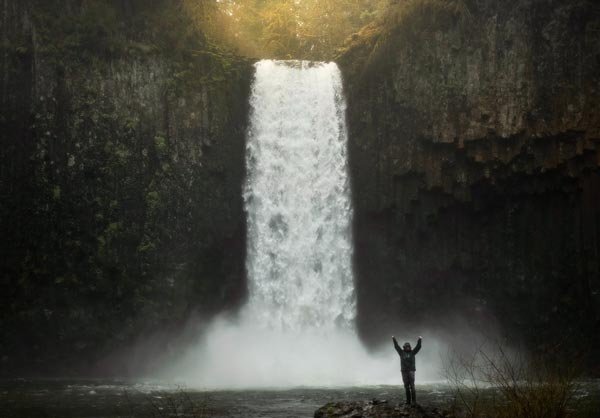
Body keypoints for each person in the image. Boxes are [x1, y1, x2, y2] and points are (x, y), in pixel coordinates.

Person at [392, 335, 422, 406]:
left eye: (409, 346)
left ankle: (414, 402)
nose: (408, 347)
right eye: (406, 346)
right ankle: (408, 401)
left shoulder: (413, 352)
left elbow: (418, 347)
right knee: (406, 386)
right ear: (404, 347)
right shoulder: (401, 352)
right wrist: (394, 339)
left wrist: (420, 339)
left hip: (411, 371)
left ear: (410, 347)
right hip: (404, 371)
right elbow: (396, 346)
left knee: (412, 386)